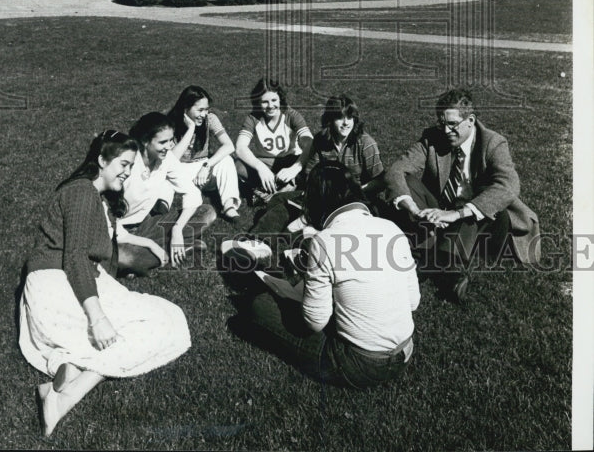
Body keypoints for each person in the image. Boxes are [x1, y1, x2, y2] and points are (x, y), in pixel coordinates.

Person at [19, 131, 191, 438]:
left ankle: (68, 370)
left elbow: (96, 258)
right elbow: (74, 258)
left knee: (163, 317)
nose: (127, 171)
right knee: (160, 325)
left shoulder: (97, 199)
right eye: (122, 164)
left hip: (62, 288)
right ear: (101, 160)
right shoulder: (82, 191)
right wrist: (97, 318)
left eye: (131, 165)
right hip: (59, 285)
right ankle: (66, 396)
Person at [230, 162, 419, 388]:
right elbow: (413, 301)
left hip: (359, 363)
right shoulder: (391, 228)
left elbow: (314, 323)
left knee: (259, 306)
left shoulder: (325, 241)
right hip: (405, 351)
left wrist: (302, 285)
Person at [383, 87, 541, 303]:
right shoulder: (432, 138)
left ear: (471, 120)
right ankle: (438, 259)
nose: (446, 131)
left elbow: (509, 186)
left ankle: (441, 264)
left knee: (484, 197)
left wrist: (457, 214)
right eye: (442, 123)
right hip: (441, 211)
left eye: (452, 124)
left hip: (483, 220)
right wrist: (413, 208)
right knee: (408, 182)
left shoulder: (493, 143)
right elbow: (396, 170)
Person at [251, 94, 385, 236]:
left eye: (350, 117)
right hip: (323, 196)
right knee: (279, 200)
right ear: (330, 119)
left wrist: (356, 191)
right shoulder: (321, 140)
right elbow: (311, 175)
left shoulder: (365, 143)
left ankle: (302, 236)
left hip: (355, 201)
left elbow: (380, 180)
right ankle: (255, 240)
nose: (346, 123)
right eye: (340, 117)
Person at [120, 111, 217, 265]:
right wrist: (148, 243)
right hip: (118, 230)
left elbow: (191, 191)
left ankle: (156, 253)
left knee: (207, 212)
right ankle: (170, 250)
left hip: (145, 225)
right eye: (163, 142)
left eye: (171, 140)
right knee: (124, 257)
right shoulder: (126, 164)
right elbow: (108, 221)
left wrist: (177, 229)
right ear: (145, 141)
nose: (170, 146)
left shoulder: (166, 160)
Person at [155, 85, 241, 221]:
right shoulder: (171, 123)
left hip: (202, 169)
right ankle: (160, 210)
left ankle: (229, 206)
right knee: (165, 176)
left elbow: (229, 146)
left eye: (206, 109)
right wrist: (191, 129)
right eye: (200, 110)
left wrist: (207, 166)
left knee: (227, 160)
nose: (204, 114)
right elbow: (172, 159)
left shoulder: (210, 119)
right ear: (185, 108)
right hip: (179, 169)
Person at [235, 77, 313, 202]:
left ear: (280, 99)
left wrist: (294, 169)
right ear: (258, 102)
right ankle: (281, 191)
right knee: (239, 166)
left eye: (274, 100)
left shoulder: (291, 115)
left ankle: (266, 193)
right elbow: (240, 148)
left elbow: (310, 142)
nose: (270, 106)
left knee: (311, 165)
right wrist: (260, 167)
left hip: (289, 160)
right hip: (266, 163)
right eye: (265, 102)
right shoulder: (253, 118)